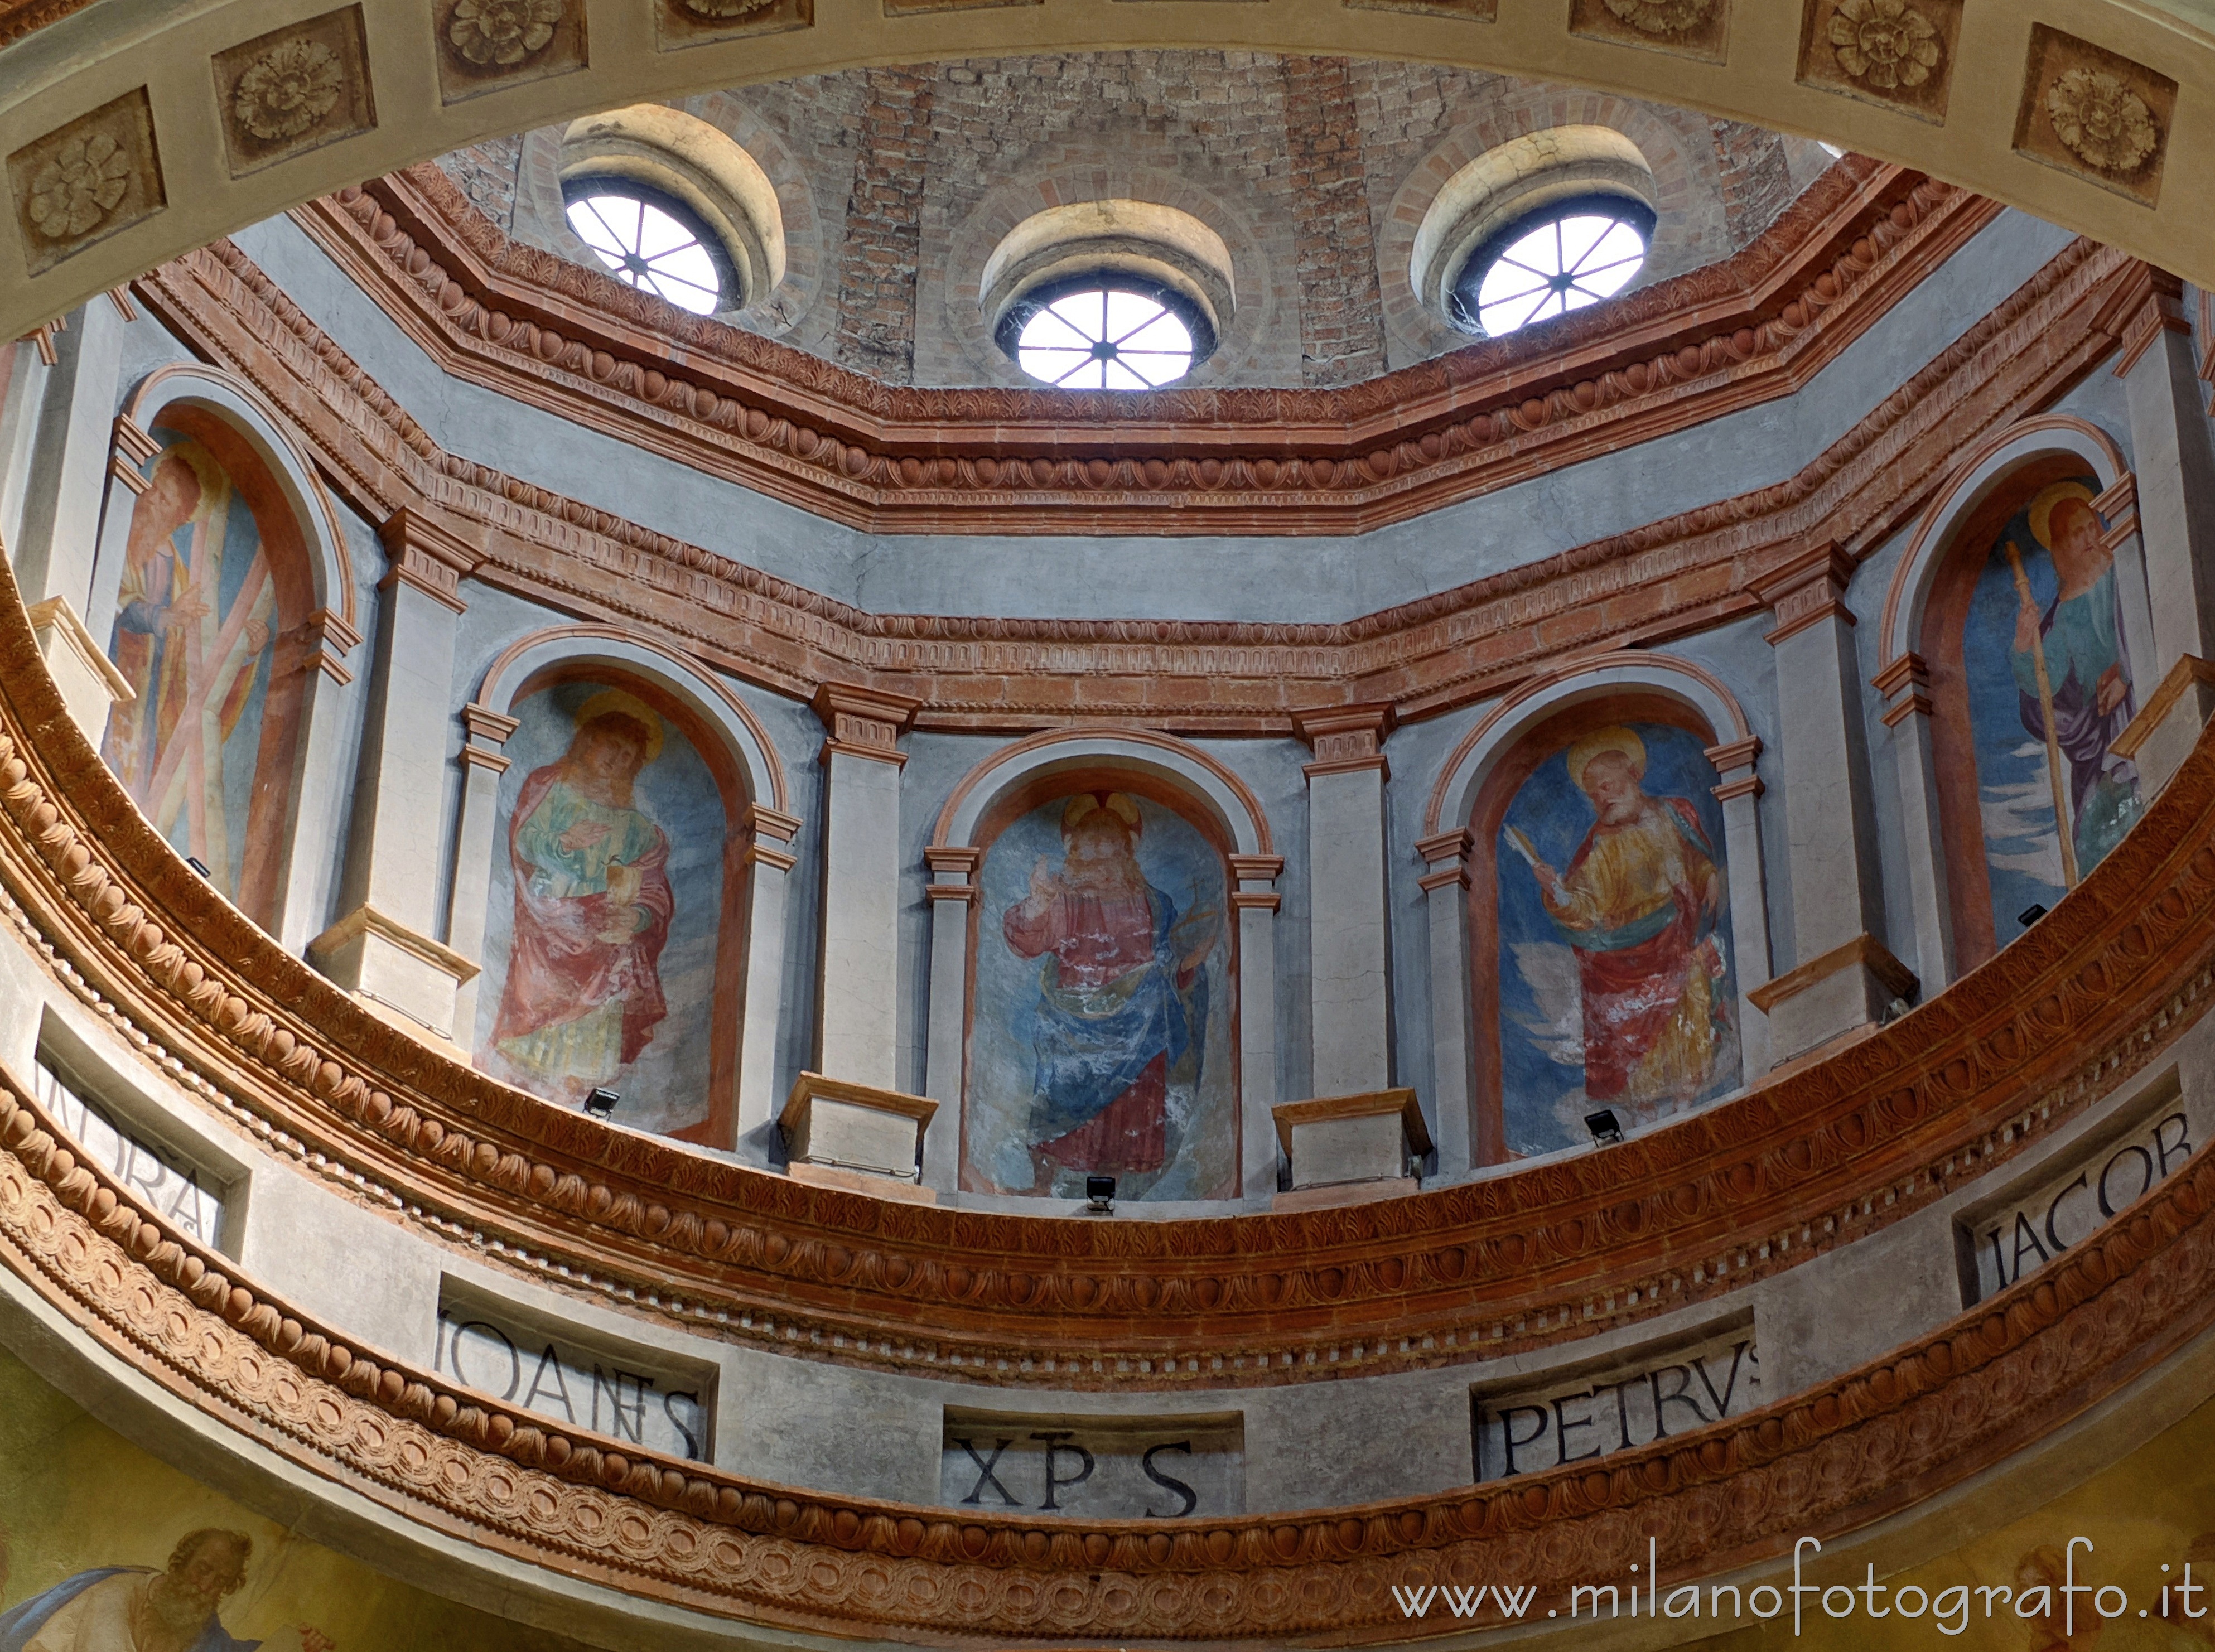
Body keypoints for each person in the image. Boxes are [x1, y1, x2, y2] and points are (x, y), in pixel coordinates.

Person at [1000, 793, 1218, 1190]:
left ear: (1125, 847)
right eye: (1088, 839)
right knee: (1057, 1096)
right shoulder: (1063, 896)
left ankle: (1117, 1195)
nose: (1098, 849)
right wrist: (1038, 903)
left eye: (1108, 839)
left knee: (1129, 1108)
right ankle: (1041, 1186)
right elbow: (1028, 941)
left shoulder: (1155, 901)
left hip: (1141, 1021)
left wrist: (1187, 967)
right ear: (1074, 846)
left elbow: (1163, 960)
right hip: (1071, 1018)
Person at [1521, 727, 1729, 1111]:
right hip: (1622, 954)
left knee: (1689, 1000)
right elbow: (1583, 908)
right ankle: (1645, 1113)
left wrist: (1709, 876)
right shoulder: (1598, 844)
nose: (1603, 796)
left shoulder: (1674, 813)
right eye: (1595, 791)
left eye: (1609, 784)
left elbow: (1695, 859)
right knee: (1631, 1034)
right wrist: (1555, 892)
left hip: (1676, 937)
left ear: (1633, 775)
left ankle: (1688, 1099)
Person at [482, 693, 674, 1107]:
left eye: (628, 755)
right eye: (611, 745)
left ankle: (576, 1089)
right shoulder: (549, 787)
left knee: (611, 976)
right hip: (548, 915)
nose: (617, 759)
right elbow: (525, 842)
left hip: (603, 930)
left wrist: (636, 917)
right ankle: (523, 1076)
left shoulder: (639, 827)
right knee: (543, 992)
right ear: (588, 741)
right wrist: (564, 843)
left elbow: (653, 887)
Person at [101, 443, 274, 895]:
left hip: (145, 703)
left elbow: (194, 674)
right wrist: (159, 619)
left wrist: (243, 653)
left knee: (131, 778)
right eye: (157, 493)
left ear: (182, 518)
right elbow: (105, 595)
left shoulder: (176, 572)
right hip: (105, 681)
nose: (157, 507)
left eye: (170, 505)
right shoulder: (119, 533)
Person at [2010, 481, 2142, 876]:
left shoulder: (2127, 571)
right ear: (2059, 547)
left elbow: (2157, 615)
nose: (2088, 537)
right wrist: (2023, 643)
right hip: (2103, 738)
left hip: (2142, 707)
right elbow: (2046, 700)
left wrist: (2127, 673)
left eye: (2091, 525)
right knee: (2096, 835)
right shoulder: (2059, 618)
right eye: (2075, 532)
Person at [0, 1528, 260, 1652]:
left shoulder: (206, 1635)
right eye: (203, 1570)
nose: (206, 1587)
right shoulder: (115, 1596)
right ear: (181, 1562)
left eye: (221, 1582)